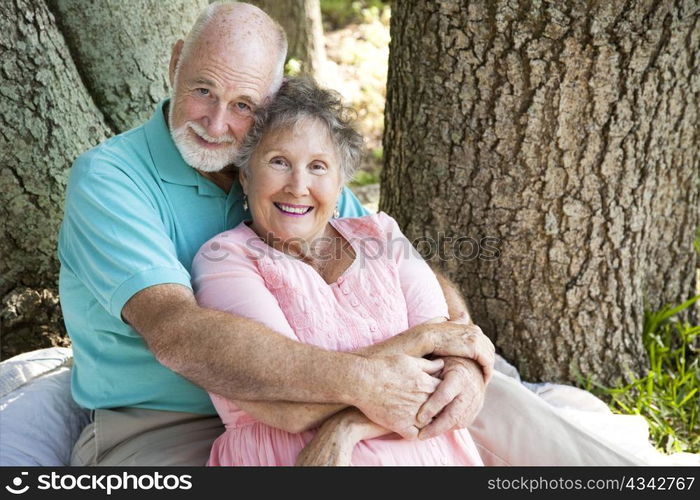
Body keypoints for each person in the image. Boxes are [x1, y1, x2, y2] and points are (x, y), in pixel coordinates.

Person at [59, 1, 493, 466]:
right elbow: (177, 333)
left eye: (243, 104)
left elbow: (385, 254)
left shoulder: (280, 167)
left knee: (549, 448)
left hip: (331, 399)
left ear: (273, 98)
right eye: (203, 90)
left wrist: (464, 355)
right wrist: (371, 382)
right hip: (165, 421)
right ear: (174, 63)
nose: (217, 122)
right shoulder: (110, 179)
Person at [192, 77, 486, 466]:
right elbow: (286, 397)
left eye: (318, 167)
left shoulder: (381, 235)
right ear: (245, 175)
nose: (298, 186)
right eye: (279, 162)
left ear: (339, 182)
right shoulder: (225, 261)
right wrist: (424, 337)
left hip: (426, 448)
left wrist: (349, 427)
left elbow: (442, 370)